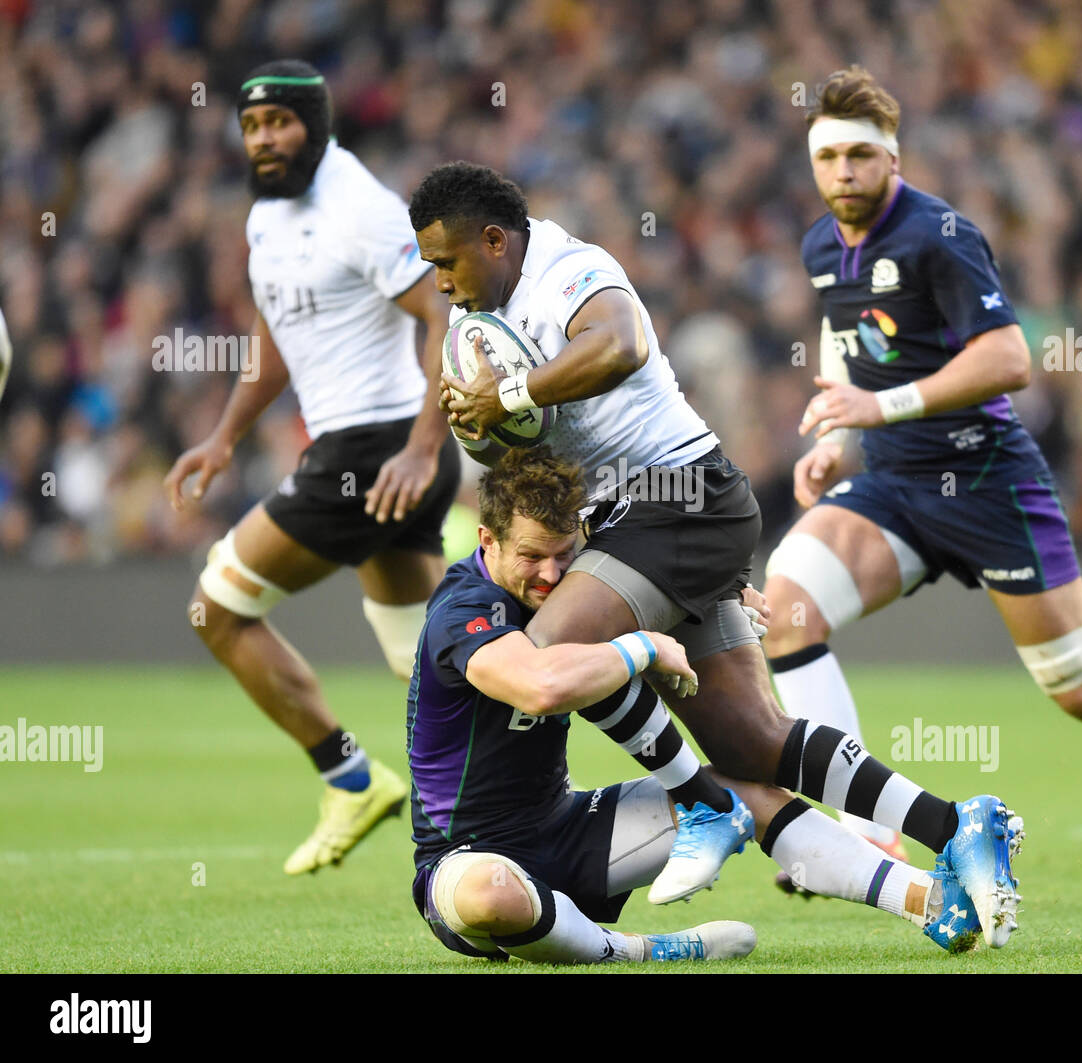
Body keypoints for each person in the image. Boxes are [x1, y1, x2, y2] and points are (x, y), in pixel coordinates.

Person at [419, 161, 1023, 947]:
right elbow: (531, 456)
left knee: (555, 653)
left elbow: (622, 344)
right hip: (660, 525)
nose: (439, 282)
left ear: (495, 240)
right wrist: (481, 425)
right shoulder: (484, 321)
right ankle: (959, 825)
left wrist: (510, 395)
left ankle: (698, 798)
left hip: (675, 499)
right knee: (752, 738)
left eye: (446, 261)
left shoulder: (570, 269)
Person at [765, 66, 1082, 909]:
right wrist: (841, 438)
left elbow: (1009, 358)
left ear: (893, 158)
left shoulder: (939, 234)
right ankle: (865, 826)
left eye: (859, 155)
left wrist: (878, 404)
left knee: (1081, 686)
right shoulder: (822, 245)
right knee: (785, 608)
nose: (842, 172)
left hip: (989, 481)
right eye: (828, 157)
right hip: (893, 484)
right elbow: (851, 345)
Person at [410, 446, 997, 964]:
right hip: (465, 855)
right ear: (487, 540)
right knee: (495, 895)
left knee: (750, 792)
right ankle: (640, 951)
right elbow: (539, 685)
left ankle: (926, 899)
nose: (551, 574)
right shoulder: (463, 609)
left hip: (564, 828)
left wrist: (716, 593)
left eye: (564, 554)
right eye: (532, 556)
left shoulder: (570, 585)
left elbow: (654, 568)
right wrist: (643, 645)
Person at [163, 61, 461, 876]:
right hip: (370, 451)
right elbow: (276, 337)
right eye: (253, 127)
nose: (264, 140)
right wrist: (225, 435)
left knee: (217, 608)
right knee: (435, 652)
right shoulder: (269, 213)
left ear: (316, 124)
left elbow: (443, 306)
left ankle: (349, 776)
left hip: (375, 452)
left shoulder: (358, 208)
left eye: (281, 124)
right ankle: (541, 784)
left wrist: (425, 446)